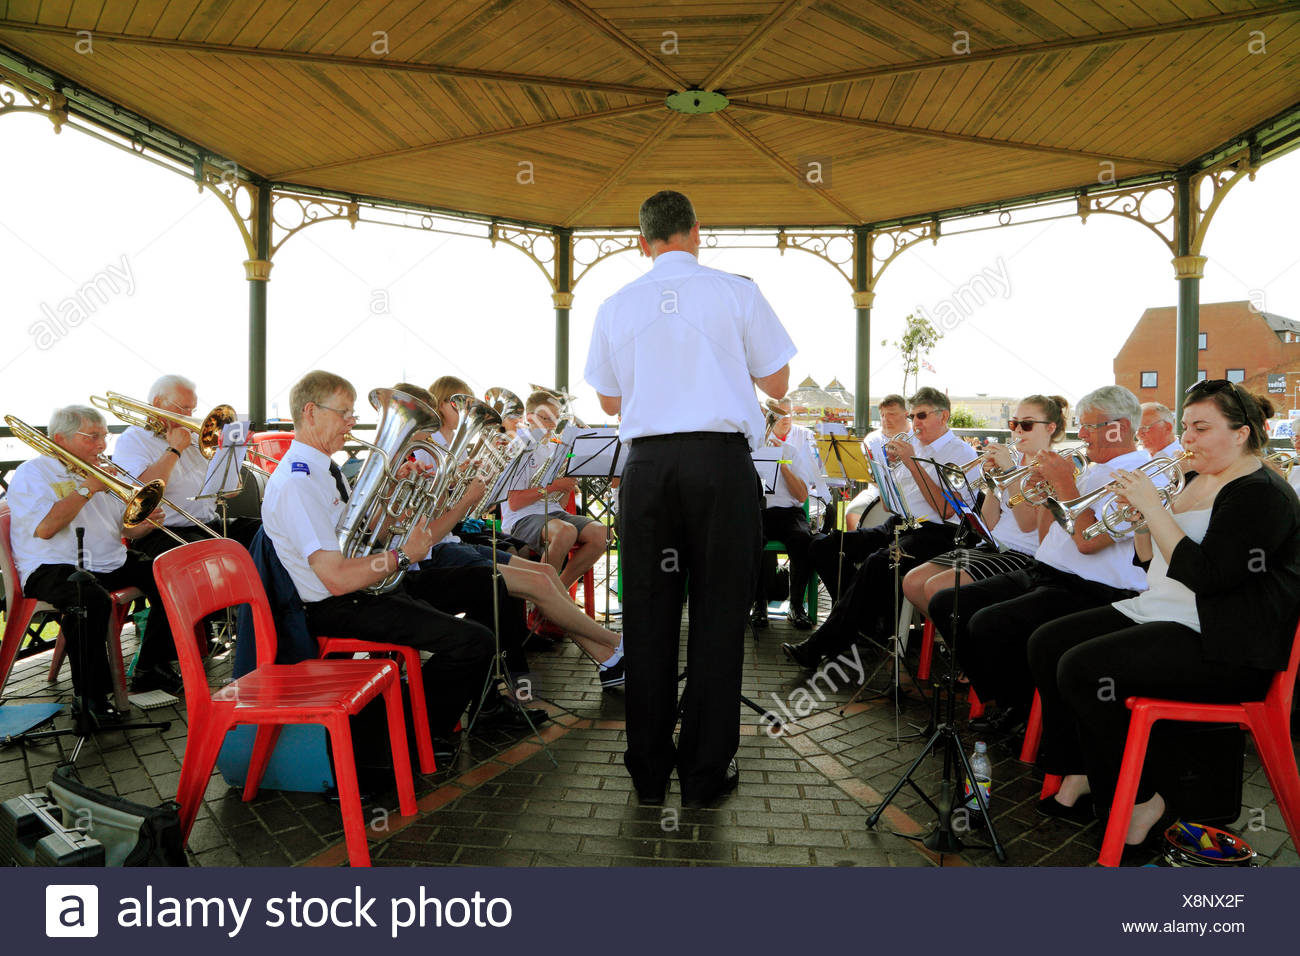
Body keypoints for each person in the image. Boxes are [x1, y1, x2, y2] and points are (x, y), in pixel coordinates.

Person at [584, 189, 794, 807]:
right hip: (720, 467)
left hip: (647, 469)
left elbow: (609, 402)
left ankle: (648, 774)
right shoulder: (736, 290)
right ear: (698, 232)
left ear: (640, 240)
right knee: (719, 619)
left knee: (646, 617)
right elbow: (777, 381)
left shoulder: (616, 304)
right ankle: (704, 775)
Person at [1028, 381, 1300, 850]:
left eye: (1200, 428)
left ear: (1241, 433)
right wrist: (1139, 520)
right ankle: (1082, 770)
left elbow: (1208, 577)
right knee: (1046, 643)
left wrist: (1154, 508)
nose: (1187, 438)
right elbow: (1148, 558)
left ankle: (1140, 799)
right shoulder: (1196, 477)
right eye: (1186, 427)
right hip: (1163, 611)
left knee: (1084, 669)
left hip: (1222, 640)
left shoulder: (1261, 493)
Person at [261, 371, 537, 755]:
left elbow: (366, 533)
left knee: (487, 581)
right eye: (344, 413)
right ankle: (410, 736)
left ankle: (482, 701)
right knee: (473, 642)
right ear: (311, 412)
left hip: (366, 587)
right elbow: (336, 579)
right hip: (339, 604)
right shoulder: (299, 481)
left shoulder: (322, 469)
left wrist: (395, 493)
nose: (351, 423)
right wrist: (403, 556)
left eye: (351, 414)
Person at [925, 385, 1154, 733]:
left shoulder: (1138, 473)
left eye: (1089, 426)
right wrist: (1046, 493)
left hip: (1090, 589)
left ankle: (1019, 708)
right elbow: (1049, 533)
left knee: (988, 623)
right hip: (1045, 571)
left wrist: (1063, 485)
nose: (1082, 434)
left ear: (1118, 428)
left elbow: (1088, 542)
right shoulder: (1093, 467)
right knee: (947, 602)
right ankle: (1011, 698)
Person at [421, 377, 625, 687]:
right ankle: (615, 645)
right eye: (459, 405)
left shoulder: (449, 448)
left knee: (547, 573)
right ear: (439, 406)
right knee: (545, 573)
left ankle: (610, 660)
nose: (549, 423)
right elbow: (485, 506)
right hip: (442, 549)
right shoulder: (431, 451)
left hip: (452, 541)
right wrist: (469, 493)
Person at [782, 387, 977, 670]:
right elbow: (889, 505)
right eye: (913, 416)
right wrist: (884, 473)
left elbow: (947, 510)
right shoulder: (915, 444)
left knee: (876, 563)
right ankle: (863, 619)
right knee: (823, 545)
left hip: (935, 533)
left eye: (921, 416)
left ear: (943, 416)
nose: (915, 422)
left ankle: (822, 646)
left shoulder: (960, 453)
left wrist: (911, 464)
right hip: (898, 524)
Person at [7, 405, 183, 708]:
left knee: (173, 578)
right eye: (93, 437)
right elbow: (46, 528)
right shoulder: (32, 472)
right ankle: (92, 698)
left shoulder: (100, 472)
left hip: (106, 559)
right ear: (60, 438)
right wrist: (88, 488)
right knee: (89, 600)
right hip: (52, 564)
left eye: (104, 437)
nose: (102, 445)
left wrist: (144, 524)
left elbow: (124, 530)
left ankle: (150, 667)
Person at [901, 395, 1069, 615]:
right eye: (1014, 423)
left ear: (1050, 428)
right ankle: (954, 638)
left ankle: (963, 640)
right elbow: (988, 523)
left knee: (936, 587)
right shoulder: (1015, 461)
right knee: (912, 582)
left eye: (1026, 424)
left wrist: (1010, 474)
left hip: (1024, 555)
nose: (1018, 430)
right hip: (993, 546)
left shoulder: (1053, 468)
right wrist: (993, 483)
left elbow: (1027, 524)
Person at [111, 374, 260, 555]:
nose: (189, 416)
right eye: (184, 408)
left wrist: (225, 454)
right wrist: (175, 449)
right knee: (207, 554)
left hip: (209, 524)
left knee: (263, 531)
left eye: (193, 410)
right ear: (158, 403)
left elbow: (231, 492)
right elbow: (141, 490)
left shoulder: (197, 437)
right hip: (162, 531)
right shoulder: (132, 439)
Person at [503, 389, 610, 590]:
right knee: (565, 532)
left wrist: (567, 485)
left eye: (555, 419)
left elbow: (558, 504)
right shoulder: (519, 446)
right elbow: (514, 503)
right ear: (530, 418)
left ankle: (556, 592)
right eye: (546, 418)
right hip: (521, 519)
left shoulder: (554, 448)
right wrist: (554, 486)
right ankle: (545, 597)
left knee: (602, 533)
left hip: (553, 514)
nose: (552, 425)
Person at [753, 398, 819, 629]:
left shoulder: (792, 451)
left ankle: (796, 606)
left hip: (789, 512)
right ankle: (759, 605)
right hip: (758, 511)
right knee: (752, 539)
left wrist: (781, 464)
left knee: (803, 540)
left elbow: (801, 496)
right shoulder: (747, 451)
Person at [841, 394, 910, 532]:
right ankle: (856, 550)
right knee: (852, 511)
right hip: (877, 492)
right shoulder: (872, 439)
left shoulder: (918, 436)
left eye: (891, 414)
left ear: (906, 414)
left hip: (909, 492)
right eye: (883, 415)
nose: (886, 419)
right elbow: (865, 471)